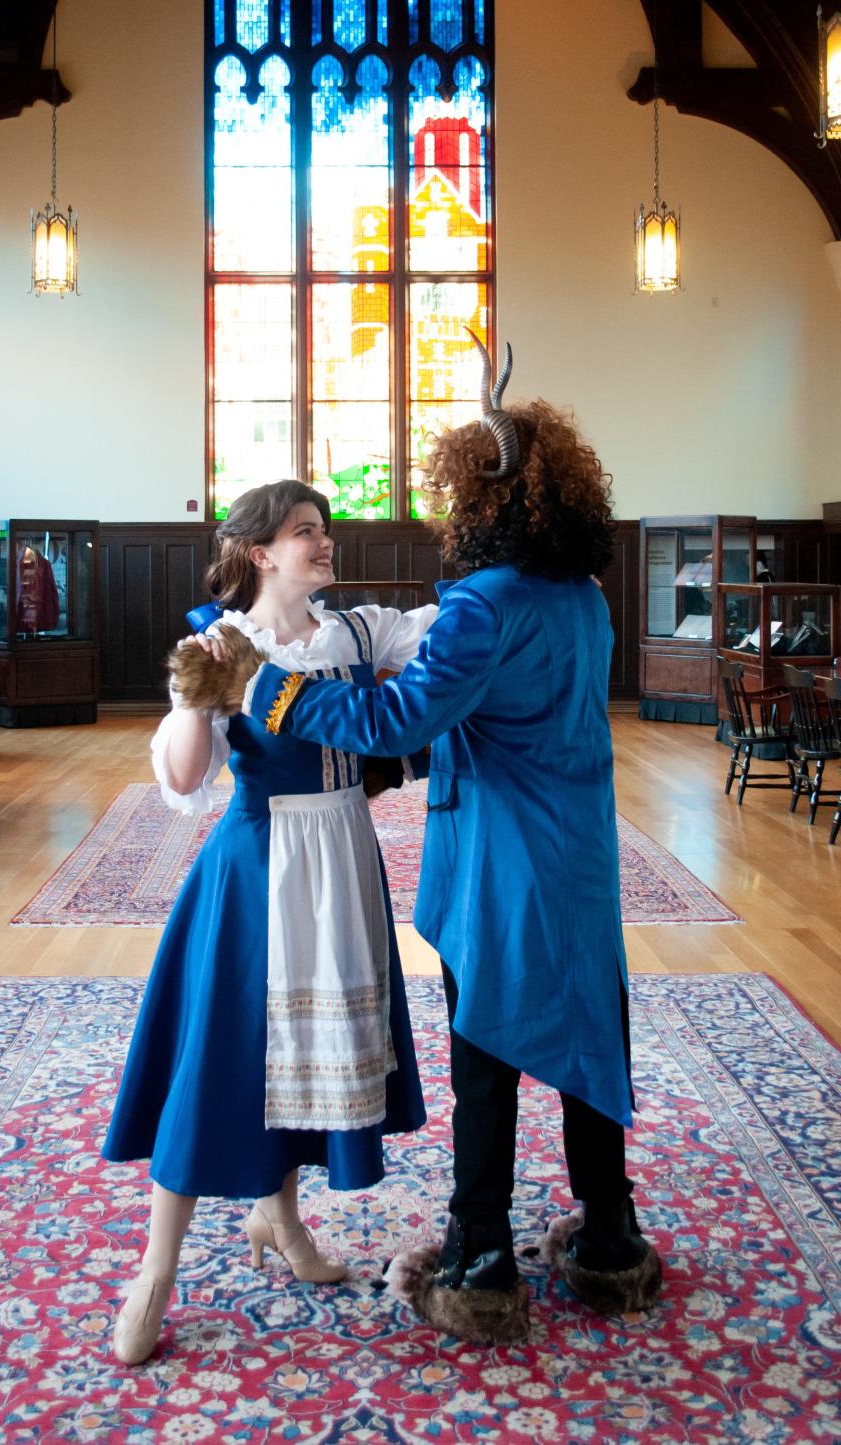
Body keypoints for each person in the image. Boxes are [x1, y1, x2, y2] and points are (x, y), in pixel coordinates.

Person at [179, 335, 664, 1344]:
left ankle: (482, 1259)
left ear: (483, 498)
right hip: (581, 855)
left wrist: (264, 687)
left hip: (504, 861)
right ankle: (610, 1240)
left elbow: (392, 723)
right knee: (584, 1033)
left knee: (486, 1053)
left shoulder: (483, 606)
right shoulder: (582, 596)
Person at [102, 480, 433, 1365]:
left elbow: (448, 631)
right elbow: (180, 781)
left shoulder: (357, 631)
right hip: (257, 873)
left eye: (324, 531)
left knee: (298, 1064)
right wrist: (186, 697)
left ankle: (278, 1215)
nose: (323, 545)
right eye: (304, 533)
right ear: (261, 552)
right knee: (220, 1064)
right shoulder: (223, 642)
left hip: (345, 859)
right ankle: (155, 1271)